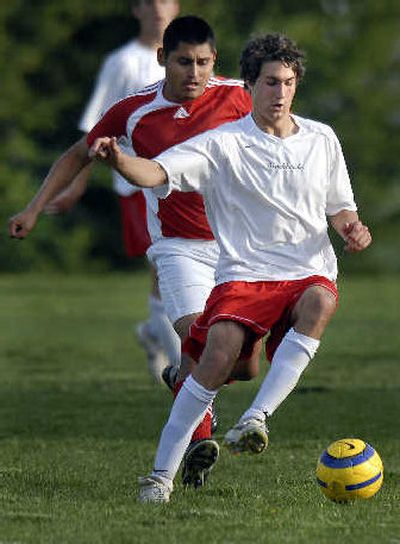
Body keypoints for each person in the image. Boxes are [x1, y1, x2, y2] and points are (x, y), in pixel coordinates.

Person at [86, 32, 372, 503]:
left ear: (296, 84)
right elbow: (155, 173)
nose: (279, 94)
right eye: (268, 84)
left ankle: (254, 420)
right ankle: (159, 478)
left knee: (321, 299)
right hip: (243, 276)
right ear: (248, 86)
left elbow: (341, 209)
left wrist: (352, 229)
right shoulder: (221, 144)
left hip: (307, 270)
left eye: (287, 82)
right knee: (218, 362)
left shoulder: (322, 139)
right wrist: (120, 158)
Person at [8, 16, 261, 491]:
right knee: (204, 340)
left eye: (204, 63)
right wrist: (34, 207)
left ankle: (181, 382)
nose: (194, 73)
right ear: (162, 58)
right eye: (184, 61)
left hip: (238, 247)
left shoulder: (240, 97)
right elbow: (76, 154)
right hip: (178, 247)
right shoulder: (135, 111)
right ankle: (198, 440)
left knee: (244, 365)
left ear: (215, 62)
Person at [46, 0, 181, 384]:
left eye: (166, 1)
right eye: (150, 3)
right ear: (136, 10)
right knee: (163, 270)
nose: (159, 9)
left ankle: (156, 333)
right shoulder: (121, 63)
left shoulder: (188, 58)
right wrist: (75, 184)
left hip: (183, 183)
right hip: (137, 185)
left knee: (187, 274)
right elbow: (94, 132)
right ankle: (181, 369)